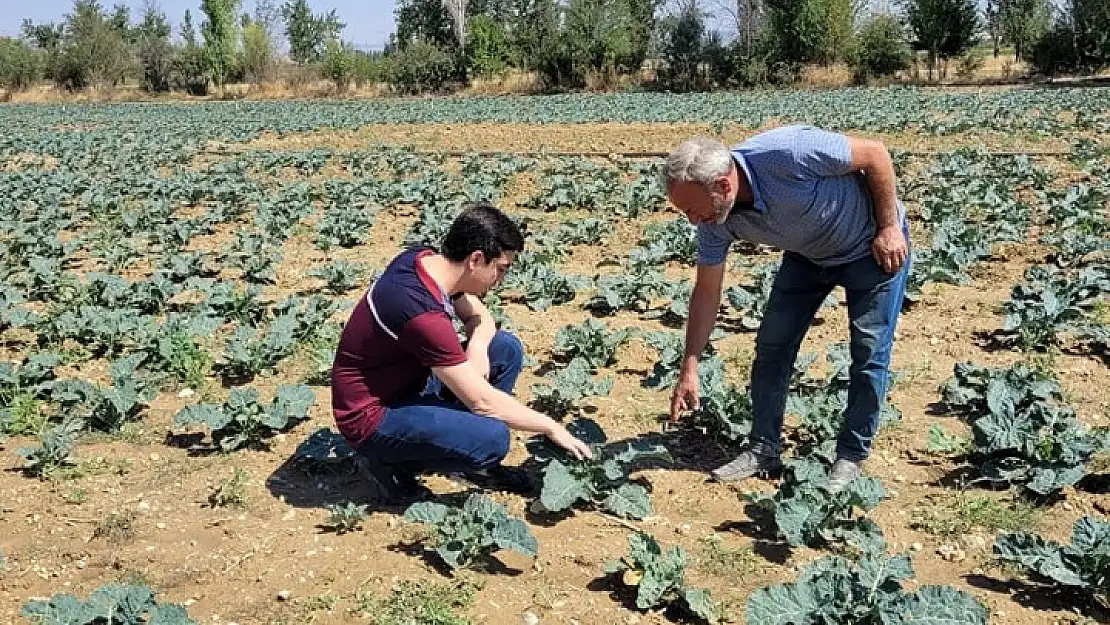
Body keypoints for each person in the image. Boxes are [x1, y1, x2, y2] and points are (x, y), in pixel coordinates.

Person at [661, 125, 911, 492]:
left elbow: (875, 153)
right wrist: (690, 366)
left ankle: (851, 456)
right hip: (808, 256)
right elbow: (707, 291)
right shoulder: (714, 221)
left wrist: (889, 228)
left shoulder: (788, 153)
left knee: (869, 353)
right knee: (772, 346)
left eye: (693, 210)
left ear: (724, 186)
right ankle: (763, 448)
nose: (692, 220)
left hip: (869, 249)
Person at [331, 203, 593, 504]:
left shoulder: (425, 261)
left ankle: (466, 458)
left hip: (409, 385)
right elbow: (482, 402)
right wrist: (551, 426)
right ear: (476, 259)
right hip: (372, 417)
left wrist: (478, 348)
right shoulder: (420, 313)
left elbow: (480, 318)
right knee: (492, 437)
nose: (500, 281)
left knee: (503, 348)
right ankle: (389, 464)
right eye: (500, 269)